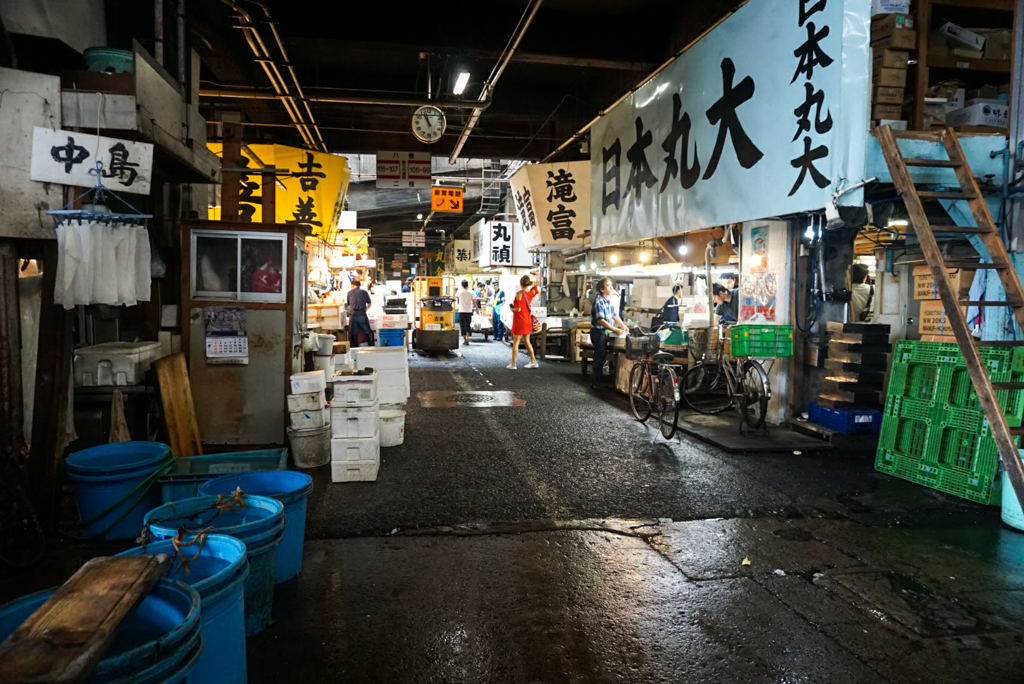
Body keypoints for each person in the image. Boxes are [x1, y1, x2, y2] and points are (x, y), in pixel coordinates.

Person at [591, 277, 629, 389]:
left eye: (611, 285)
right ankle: (596, 383)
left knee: (606, 355)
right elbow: (600, 320)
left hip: (606, 332)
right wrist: (614, 329)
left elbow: (614, 315)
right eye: (608, 285)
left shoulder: (608, 300)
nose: (611, 287)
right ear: (602, 289)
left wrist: (623, 326)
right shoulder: (599, 301)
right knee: (600, 357)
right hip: (599, 332)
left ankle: (607, 380)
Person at [508, 274, 540, 369]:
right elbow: (537, 285)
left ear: (520, 283)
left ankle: (513, 364)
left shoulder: (519, 293)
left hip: (520, 320)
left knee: (516, 342)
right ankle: (533, 361)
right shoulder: (531, 292)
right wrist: (532, 283)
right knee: (527, 341)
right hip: (527, 319)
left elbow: (518, 309)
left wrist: (511, 308)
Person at [346, 278, 374, 347]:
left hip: (354, 315)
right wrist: (366, 310)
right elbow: (369, 303)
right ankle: (371, 345)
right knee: (367, 331)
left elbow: (348, 305)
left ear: (352, 285)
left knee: (354, 333)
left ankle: (355, 348)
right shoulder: (364, 292)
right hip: (362, 314)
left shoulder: (349, 293)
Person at [456, 279, 478, 345]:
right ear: (467, 285)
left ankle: (465, 339)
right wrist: (477, 309)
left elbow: (456, 296)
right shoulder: (471, 292)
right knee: (468, 325)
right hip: (469, 311)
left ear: (462, 285)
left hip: (462, 311)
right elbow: (474, 302)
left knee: (463, 326)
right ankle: (468, 338)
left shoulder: (459, 292)